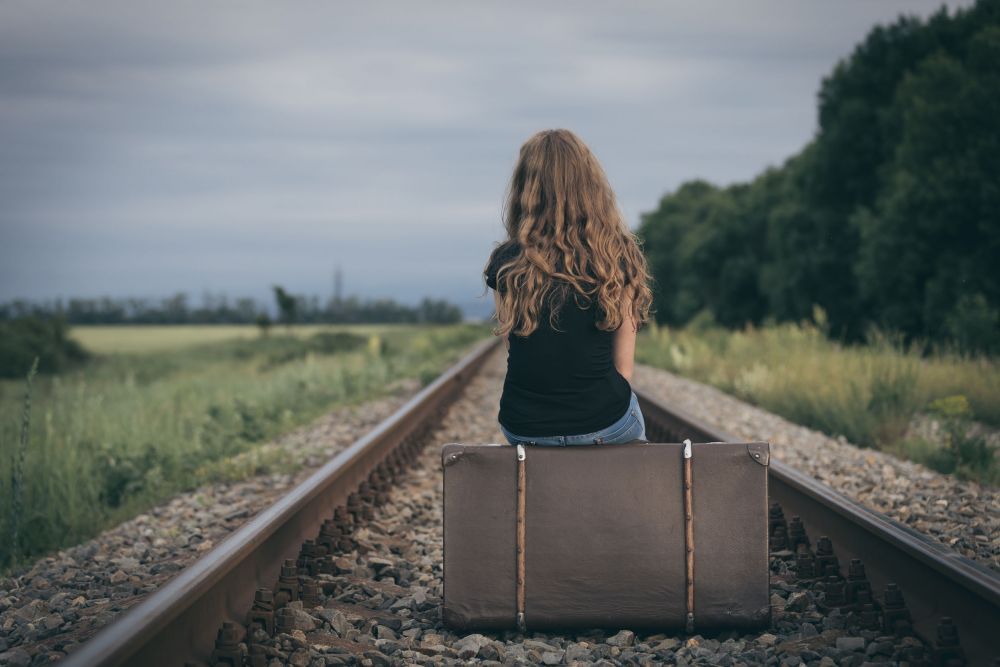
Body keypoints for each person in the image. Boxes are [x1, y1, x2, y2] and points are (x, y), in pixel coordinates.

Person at [483, 128, 654, 447]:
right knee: (634, 425)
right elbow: (624, 370)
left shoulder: (507, 263)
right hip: (606, 424)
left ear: (525, 189)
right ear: (591, 186)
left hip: (524, 427)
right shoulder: (618, 256)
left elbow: (521, 354)